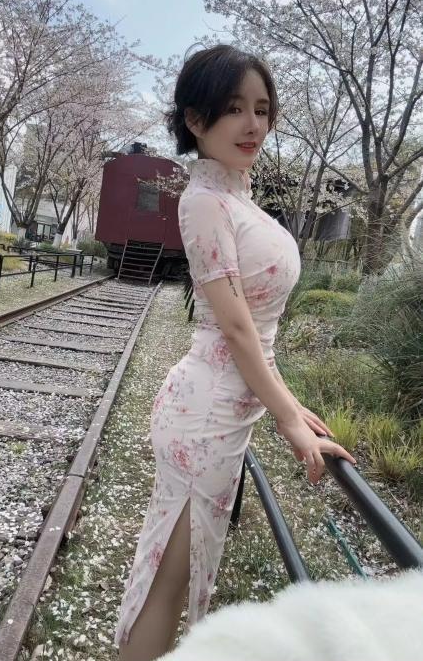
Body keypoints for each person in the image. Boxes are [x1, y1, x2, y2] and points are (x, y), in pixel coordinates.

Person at [114, 44, 356, 661]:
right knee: (168, 581)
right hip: (205, 417)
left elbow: (259, 334)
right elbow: (238, 330)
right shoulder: (203, 202)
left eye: (263, 109)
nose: (253, 125)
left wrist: (291, 406)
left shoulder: (236, 198)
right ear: (196, 120)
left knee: (182, 574)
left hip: (222, 414)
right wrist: (287, 420)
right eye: (234, 108)